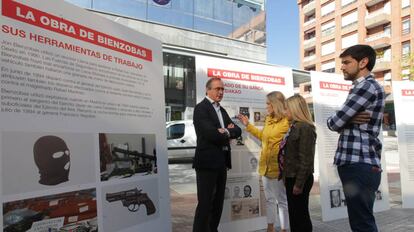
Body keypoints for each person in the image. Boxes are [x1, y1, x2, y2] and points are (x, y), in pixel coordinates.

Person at [327, 44, 385, 232]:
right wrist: (348, 118)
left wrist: (345, 118)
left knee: (362, 223)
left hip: (358, 163)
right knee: (361, 220)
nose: (342, 67)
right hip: (360, 163)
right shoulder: (364, 87)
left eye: (346, 62)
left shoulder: (365, 87)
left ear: (363, 62)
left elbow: (334, 123)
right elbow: (339, 120)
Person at [192, 77, 242, 232]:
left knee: (218, 204)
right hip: (207, 164)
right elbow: (210, 134)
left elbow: (238, 130)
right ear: (208, 90)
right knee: (205, 204)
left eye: (222, 89)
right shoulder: (201, 108)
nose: (220, 92)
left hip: (222, 163)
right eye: (217, 89)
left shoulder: (222, 110)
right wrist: (227, 131)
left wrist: (225, 130)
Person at [238, 91, 289, 232]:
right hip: (265, 168)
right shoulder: (268, 119)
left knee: (282, 201)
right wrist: (248, 125)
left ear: (275, 104)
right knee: (269, 200)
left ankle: (284, 229)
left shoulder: (286, 122)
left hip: (279, 169)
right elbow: (263, 136)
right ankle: (270, 228)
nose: (266, 106)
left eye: (268, 103)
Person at [279, 94, 316, 232]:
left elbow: (306, 159)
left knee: (300, 217)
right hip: (291, 177)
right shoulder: (294, 126)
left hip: (299, 179)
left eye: (286, 109)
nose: (284, 112)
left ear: (295, 109)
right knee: (295, 216)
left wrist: (298, 184)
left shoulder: (305, 128)